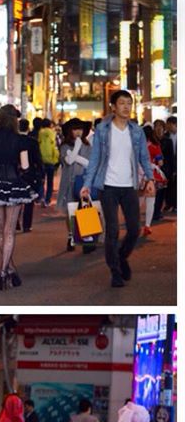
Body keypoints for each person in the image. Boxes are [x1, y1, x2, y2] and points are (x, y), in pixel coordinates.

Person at [80, 90, 156, 288]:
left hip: (129, 186)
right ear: (113, 107)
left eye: (129, 103)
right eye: (121, 103)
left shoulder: (136, 131)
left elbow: (144, 157)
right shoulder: (104, 130)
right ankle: (114, 271)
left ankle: (122, 257)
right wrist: (87, 185)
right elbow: (95, 159)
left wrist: (150, 178)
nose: (126, 107)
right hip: (108, 186)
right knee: (112, 230)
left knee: (134, 229)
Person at [0, 105, 36, 290]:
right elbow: (25, 167)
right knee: (10, 231)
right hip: (14, 185)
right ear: (14, 121)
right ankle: (3, 272)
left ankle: (10, 269)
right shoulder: (20, 141)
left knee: (1, 230)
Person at [57, 118, 93, 252]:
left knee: (85, 209)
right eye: (75, 129)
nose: (78, 132)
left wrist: (76, 153)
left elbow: (89, 163)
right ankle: (71, 236)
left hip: (83, 181)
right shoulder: (65, 146)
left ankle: (87, 240)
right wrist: (76, 148)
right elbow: (69, 161)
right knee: (70, 212)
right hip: (69, 183)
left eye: (80, 129)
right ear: (69, 131)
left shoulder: (88, 146)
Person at [139, 125, 168, 236]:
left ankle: (135, 224)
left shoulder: (137, 146)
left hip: (139, 176)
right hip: (152, 176)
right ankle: (147, 225)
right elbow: (161, 163)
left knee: (138, 202)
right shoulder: (155, 146)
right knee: (151, 201)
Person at [17, 119, 43, 233]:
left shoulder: (14, 141)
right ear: (28, 128)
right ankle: (27, 225)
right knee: (29, 200)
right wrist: (41, 173)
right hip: (30, 173)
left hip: (16, 173)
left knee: (16, 198)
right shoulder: (33, 142)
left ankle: (15, 221)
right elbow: (38, 159)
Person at [38, 118, 59, 207]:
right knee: (50, 181)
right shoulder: (53, 133)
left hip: (41, 160)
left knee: (41, 180)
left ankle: (41, 196)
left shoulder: (40, 133)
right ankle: (47, 200)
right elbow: (56, 146)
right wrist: (56, 159)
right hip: (51, 160)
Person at [163, 116, 177, 212]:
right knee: (169, 186)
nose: (167, 126)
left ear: (174, 124)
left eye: (169, 124)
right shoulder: (166, 136)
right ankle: (169, 204)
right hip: (169, 165)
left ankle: (176, 204)